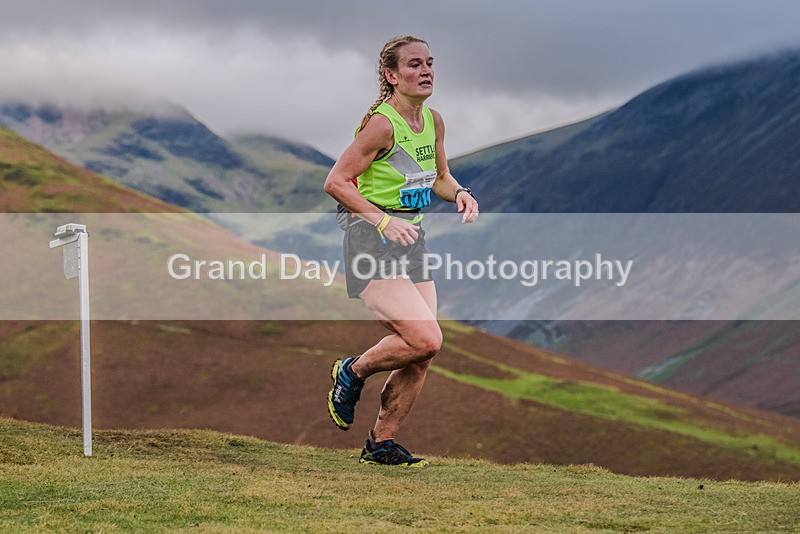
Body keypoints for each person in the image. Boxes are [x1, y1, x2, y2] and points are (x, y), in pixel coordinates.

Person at [323, 35, 479, 467]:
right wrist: (382, 221)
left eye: (429, 63)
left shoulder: (433, 121)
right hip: (371, 240)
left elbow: (440, 176)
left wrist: (460, 193)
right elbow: (336, 182)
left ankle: (381, 443)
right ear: (391, 76)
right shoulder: (382, 125)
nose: (426, 71)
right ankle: (352, 371)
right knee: (426, 337)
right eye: (414, 64)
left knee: (423, 351)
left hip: (411, 241)